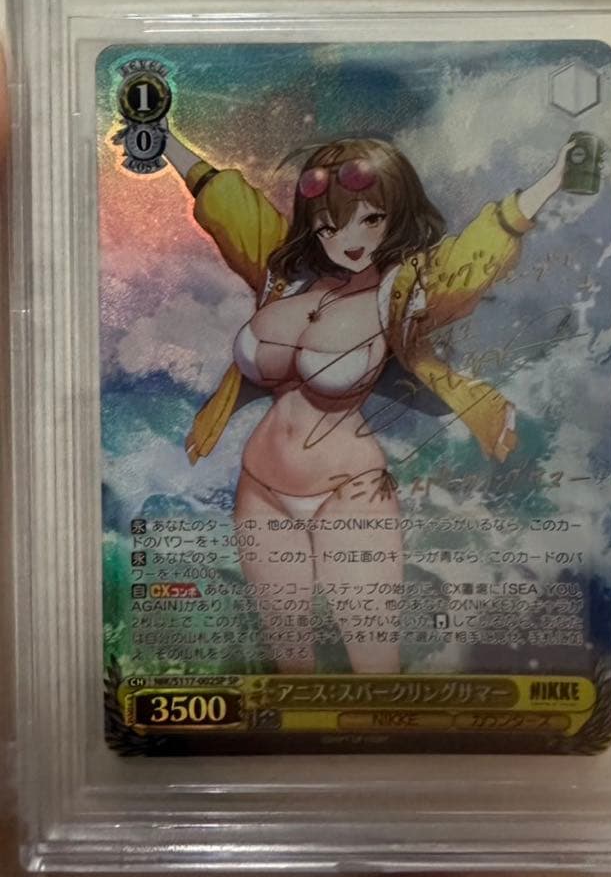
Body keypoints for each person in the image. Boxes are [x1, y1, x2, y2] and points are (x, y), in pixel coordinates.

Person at [161, 128, 572, 673]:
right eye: (330, 225)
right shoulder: (284, 277)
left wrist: (554, 180)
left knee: (374, 662)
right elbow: (227, 204)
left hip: (350, 494)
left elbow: (477, 253)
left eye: (370, 219)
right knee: (290, 662)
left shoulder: (401, 292)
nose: (349, 239)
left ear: (395, 216)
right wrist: (162, 137)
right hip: (260, 490)